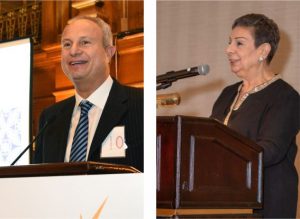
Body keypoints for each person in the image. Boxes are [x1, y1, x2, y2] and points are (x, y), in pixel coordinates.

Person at [211, 13, 299, 218]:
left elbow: (269, 151)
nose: (228, 49)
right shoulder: (227, 93)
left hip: (267, 203)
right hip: (226, 199)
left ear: (263, 51)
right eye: (229, 42)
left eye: (239, 43)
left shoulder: (285, 97)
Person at [33, 16, 144, 172]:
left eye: (84, 42)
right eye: (67, 44)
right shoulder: (50, 117)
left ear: (108, 52)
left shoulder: (142, 105)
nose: (73, 51)